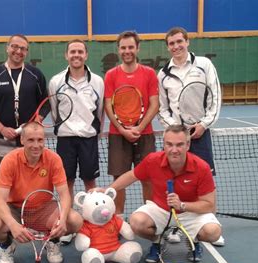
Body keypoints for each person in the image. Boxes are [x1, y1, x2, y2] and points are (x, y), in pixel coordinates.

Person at [106, 124, 222, 263]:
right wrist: (108, 190)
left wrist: (182, 205)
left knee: (213, 232)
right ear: (164, 144)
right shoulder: (152, 160)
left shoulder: (202, 167)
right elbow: (131, 176)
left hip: (190, 212)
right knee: (136, 222)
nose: (174, 150)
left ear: (188, 145)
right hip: (161, 210)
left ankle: (193, 241)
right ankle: (158, 241)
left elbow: (209, 205)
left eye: (179, 145)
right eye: (169, 144)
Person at [0, 122, 83, 263]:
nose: (36, 145)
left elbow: (64, 195)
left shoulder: (53, 159)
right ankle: (6, 245)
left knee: (75, 221)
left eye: (40, 140)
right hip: (14, 209)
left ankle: (53, 240)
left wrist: (62, 221)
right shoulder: (9, 160)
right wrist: (12, 225)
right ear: (22, 140)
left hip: (44, 209)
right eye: (31, 140)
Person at [157, 27, 224, 246]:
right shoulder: (163, 74)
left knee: (204, 180)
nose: (176, 46)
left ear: (187, 42)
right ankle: (176, 226)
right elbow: (162, 108)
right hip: (177, 137)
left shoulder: (204, 65)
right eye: (171, 43)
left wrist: (204, 125)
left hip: (200, 133)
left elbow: (215, 97)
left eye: (179, 41)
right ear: (167, 47)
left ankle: (208, 222)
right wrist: (176, 129)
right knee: (175, 181)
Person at [48, 39, 104, 245]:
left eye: (80, 51)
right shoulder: (56, 81)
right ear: (66, 55)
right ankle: (69, 225)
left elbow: (99, 112)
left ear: (86, 55)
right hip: (65, 140)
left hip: (88, 140)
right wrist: (65, 128)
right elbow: (54, 112)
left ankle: (92, 222)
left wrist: (92, 131)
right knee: (66, 183)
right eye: (72, 52)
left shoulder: (97, 81)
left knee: (90, 182)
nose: (76, 55)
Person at [103, 31, 159, 218]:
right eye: (123, 47)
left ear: (137, 48)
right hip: (118, 135)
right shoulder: (111, 75)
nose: (127, 51)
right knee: (119, 180)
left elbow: (154, 104)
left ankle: (151, 216)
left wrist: (139, 128)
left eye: (130, 47)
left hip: (145, 134)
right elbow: (108, 105)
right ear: (118, 50)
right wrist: (121, 129)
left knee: (149, 178)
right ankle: (118, 217)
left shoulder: (149, 73)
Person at [0, 34, 48, 168]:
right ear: (7, 48)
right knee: (3, 182)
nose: (18, 51)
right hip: (1, 139)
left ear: (27, 52)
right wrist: (2, 129)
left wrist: (37, 120)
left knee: (31, 179)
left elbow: (46, 103)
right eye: (14, 46)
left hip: (30, 139)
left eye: (23, 48)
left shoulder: (36, 75)